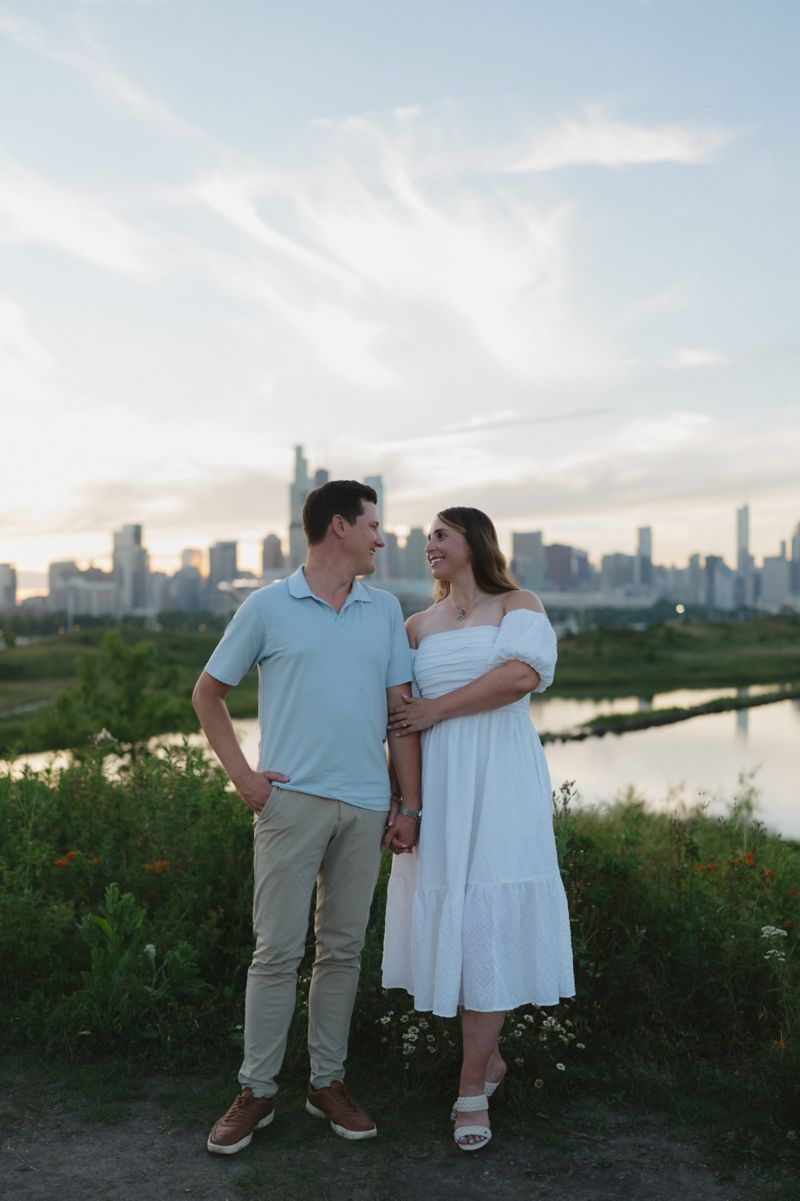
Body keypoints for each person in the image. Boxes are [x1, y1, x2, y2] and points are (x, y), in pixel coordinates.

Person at [193, 480, 421, 1155]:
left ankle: (327, 1083)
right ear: (339, 526)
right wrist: (245, 778)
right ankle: (256, 1090)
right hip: (290, 803)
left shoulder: (385, 610)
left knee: (342, 950)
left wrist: (407, 803)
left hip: (367, 803)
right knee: (276, 951)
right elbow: (207, 694)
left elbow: (400, 714)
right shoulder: (268, 605)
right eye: (373, 526)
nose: (382, 538)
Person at [381, 506, 574, 1152]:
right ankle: (488, 1060)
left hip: (502, 780)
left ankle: (470, 1089)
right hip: (440, 785)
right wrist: (402, 804)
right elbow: (399, 721)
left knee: (488, 917)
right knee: (458, 926)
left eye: (441, 534)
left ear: (474, 540)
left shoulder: (519, 603)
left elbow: (520, 676)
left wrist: (437, 707)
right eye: (426, 538)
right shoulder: (415, 626)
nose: (429, 545)